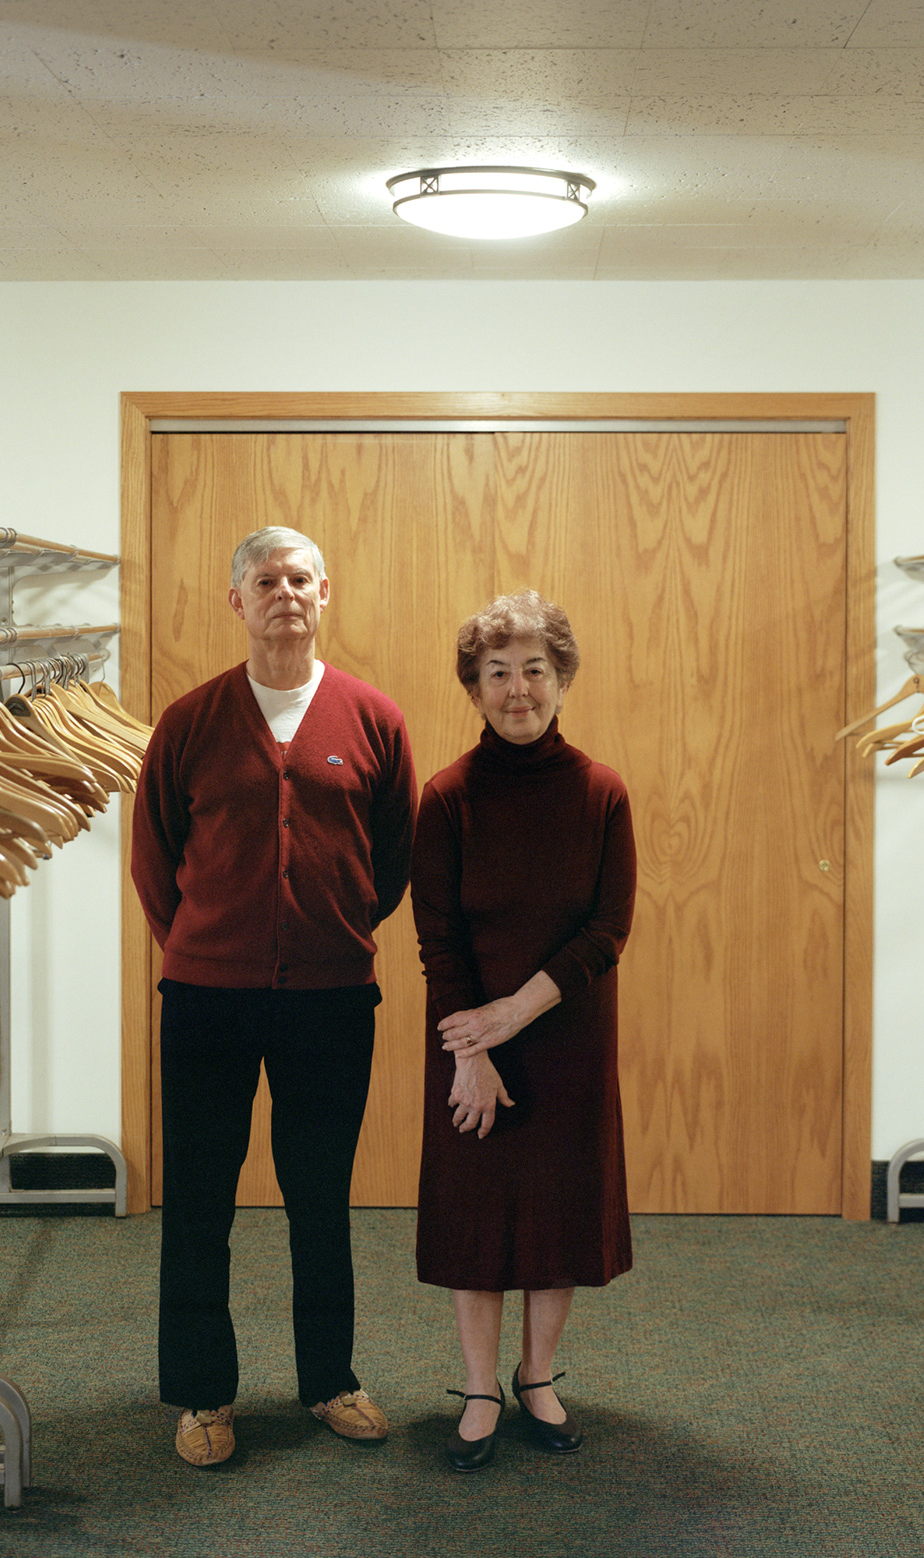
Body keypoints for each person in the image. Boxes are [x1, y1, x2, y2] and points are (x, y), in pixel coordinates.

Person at [131, 526, 417, 1468]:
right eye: (266, 580)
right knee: (201, 1199)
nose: (284, 593)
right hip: (208, 998)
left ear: (324, 592)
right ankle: (202, 1395)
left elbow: (391, 861)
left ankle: (330, 1379)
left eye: (300, 578)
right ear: (238, 601)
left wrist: (330, 932)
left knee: (319, 1195)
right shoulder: (189, 722)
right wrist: (210, 943)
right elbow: (155, 857)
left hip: (332, 1001)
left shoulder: (374, 719)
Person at [410, 589, 637, 1472]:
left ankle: (537, 1377)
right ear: (473, 689)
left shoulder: (603, 794)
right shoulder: (446, 798)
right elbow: (440, 941)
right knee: (478, 1212)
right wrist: (474, 1052)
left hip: (566, 1033)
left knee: (555, 1210)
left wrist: (515, 1014)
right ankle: (477, 1386)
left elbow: (608, 931)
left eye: (534, 671)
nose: (517, 690)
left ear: (562, 679)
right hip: (469, 1044)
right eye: (497, 673)